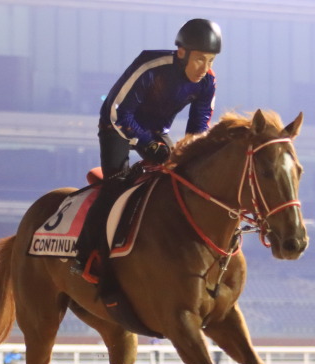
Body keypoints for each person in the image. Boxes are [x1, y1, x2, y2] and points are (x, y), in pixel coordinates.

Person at [71, 18, 222, 278]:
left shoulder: (207, 81)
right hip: (117, 127)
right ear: (182, 52)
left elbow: (198, 126)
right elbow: (118, 112)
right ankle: (83, 254)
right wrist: (145, 143)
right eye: (199, 59)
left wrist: (193, 155)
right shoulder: (151, 67)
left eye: (211, 60)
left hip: (155, 131)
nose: (204, 68)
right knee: (115, 186)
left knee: (182, 181)